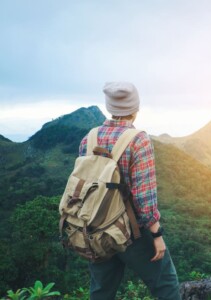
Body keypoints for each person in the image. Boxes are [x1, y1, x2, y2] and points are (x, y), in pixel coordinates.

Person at [78, 82, 181, 300]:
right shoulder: (138, 140)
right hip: (130, 229)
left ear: (109, 107)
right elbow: (144, 197)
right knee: (166, 284)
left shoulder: (89, 138)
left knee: (101, 291)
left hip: (96, 226)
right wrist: (157, 234)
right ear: (135, 109)